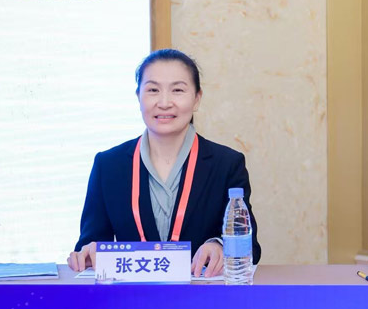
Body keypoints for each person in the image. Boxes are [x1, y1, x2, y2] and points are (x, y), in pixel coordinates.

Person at [68, 49, 261, 276]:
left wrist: (219, 246)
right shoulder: (108, 166)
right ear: (138, 97)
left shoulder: (226, 164)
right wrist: (89, 251)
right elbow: (90, 243)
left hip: (202, 294)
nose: (164, 102)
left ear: (197, 98)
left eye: (177, 90)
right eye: (153, 90)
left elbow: (251, 248)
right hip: (131, 295)